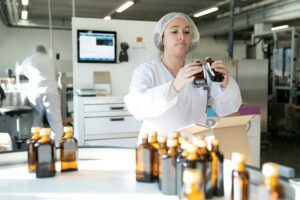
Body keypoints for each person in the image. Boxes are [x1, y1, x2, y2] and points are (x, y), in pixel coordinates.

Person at [124, 12, 242, 143]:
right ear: (162, 39)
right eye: (174, 31)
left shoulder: (200, 72)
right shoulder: (147, 71)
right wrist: (174, 87)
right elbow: (137, 107)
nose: (182, 37)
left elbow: (228, 108)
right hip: (158, 146)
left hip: (193, 146)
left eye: (187, 32)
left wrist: (225, 83)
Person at [16, 45, 63, 146]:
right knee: (55, 121)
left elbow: (18, 71)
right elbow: (55, 75)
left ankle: (38, 145)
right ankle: (57, 146)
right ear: (45, 51)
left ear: (34, 51)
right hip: (51, 92)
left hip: (35, 93)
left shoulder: (29, 59)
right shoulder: (51, 60)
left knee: (36, 120)